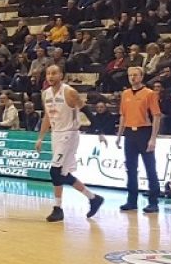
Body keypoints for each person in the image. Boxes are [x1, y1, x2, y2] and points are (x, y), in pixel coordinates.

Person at [35, 65, 104, 222]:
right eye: (48, 74)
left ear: (61, 75)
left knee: (54, 171)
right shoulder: (45, 94)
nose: (51, 76)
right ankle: (93, 198)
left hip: (69, 134)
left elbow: (86, 111)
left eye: (54, 73)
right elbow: (47, 116)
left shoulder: (69, 92)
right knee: (61, 174)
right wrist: (40, 137)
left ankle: (58, 208)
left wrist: (99, 131)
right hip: (56, 134)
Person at [117, 66, 162, 213]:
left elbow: (156, 116)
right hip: (130, 133)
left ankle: (153, 201)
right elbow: (123, 115)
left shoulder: (149, 94)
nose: (133, 78)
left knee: (150, 168)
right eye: (130, 75)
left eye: (135, 75)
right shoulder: (125, 93)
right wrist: (119, 135)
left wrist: (153, 138)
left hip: (144, 131)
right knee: (130, 168)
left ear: (142, 77)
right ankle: (131, 201)